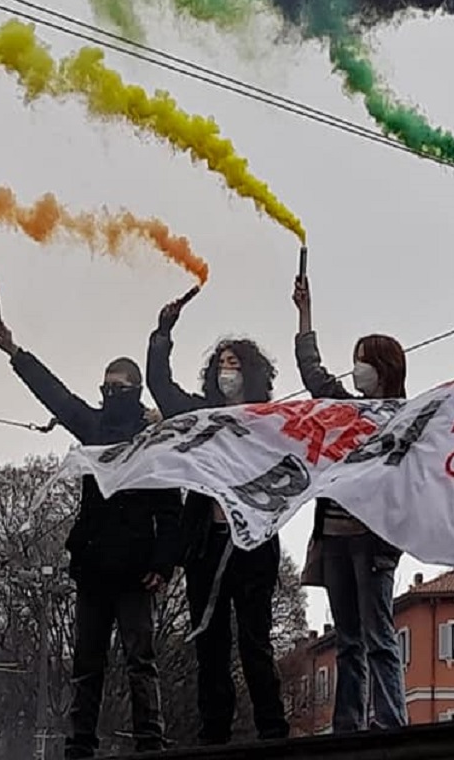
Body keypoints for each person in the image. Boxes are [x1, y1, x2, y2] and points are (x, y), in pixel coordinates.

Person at [0, 319, 181, 757]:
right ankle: (80, 744)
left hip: (136, 571)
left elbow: (170, 509)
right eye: (105, 387)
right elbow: (55, 394)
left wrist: (162, 563)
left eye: (117, 387)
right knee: (86, 663)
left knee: (140, 660)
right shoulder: (94, 428)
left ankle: (149, 740)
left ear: (133, 391)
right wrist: (16, 354)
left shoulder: (154, 441)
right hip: (96, 567)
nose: (108, 394)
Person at [145, 293, 289, 745]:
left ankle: (272, 731)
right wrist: (162, 333)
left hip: (253, 545)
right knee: (209, 642)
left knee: (255, 643)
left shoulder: (268, 420)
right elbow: (160, 387)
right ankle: (214, 734)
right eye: (221, 363)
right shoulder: (201, 414)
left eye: (234, 363)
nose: (227, 370)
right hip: (206, 545)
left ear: (250, 371)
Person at [291, 274, 408, 732]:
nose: (355, 369)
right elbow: (312, 374)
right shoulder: (343, 408)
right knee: (348, 640)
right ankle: (348, 726)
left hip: (374, 543)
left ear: (383, 368)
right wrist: (305, 316)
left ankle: (390, 723)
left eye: (363, 361)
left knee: (379, 636)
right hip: (335, 539)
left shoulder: (403, 417)